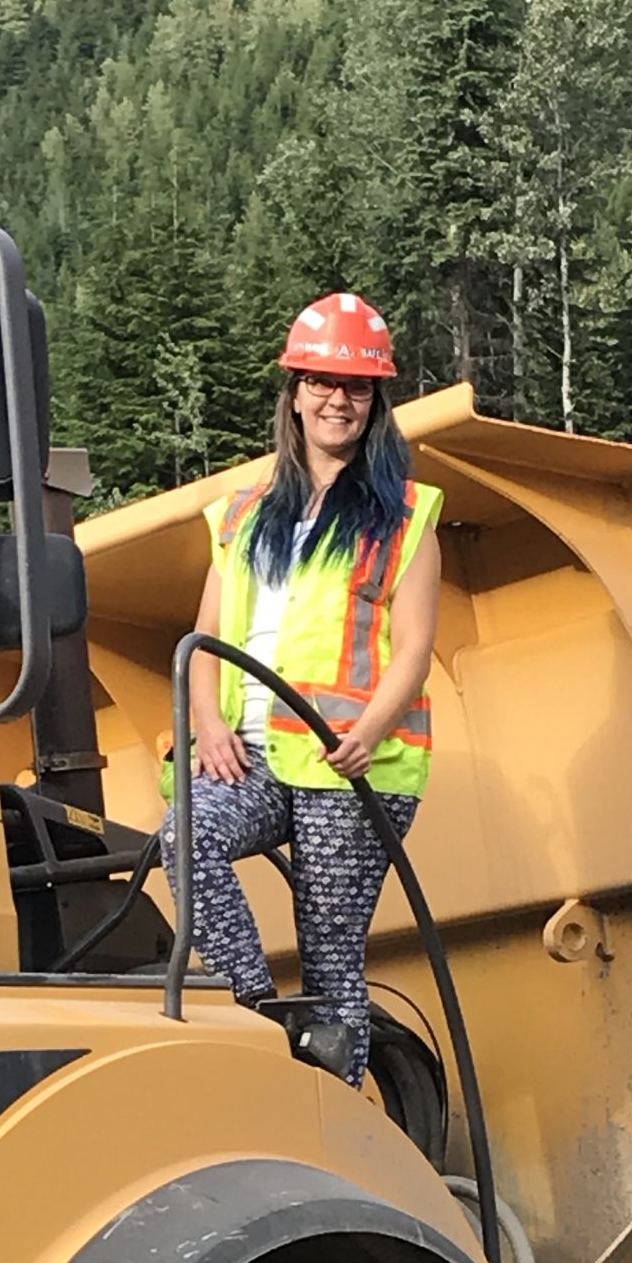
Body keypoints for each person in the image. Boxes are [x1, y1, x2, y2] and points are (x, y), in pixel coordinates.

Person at [162, 292, 442, 1087]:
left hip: (348, 766)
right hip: (254, 756)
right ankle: (261, 1016)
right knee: (185, 836)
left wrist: (370, 732)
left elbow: (414, 650)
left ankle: (339, 1112)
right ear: (294, 394)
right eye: (320, 381)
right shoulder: (245, 517)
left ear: (375, 403)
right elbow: (204, 641)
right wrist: (209, 723)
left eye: (354, 387)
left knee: (330, 959)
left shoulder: (406, 517)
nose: (336, 400)